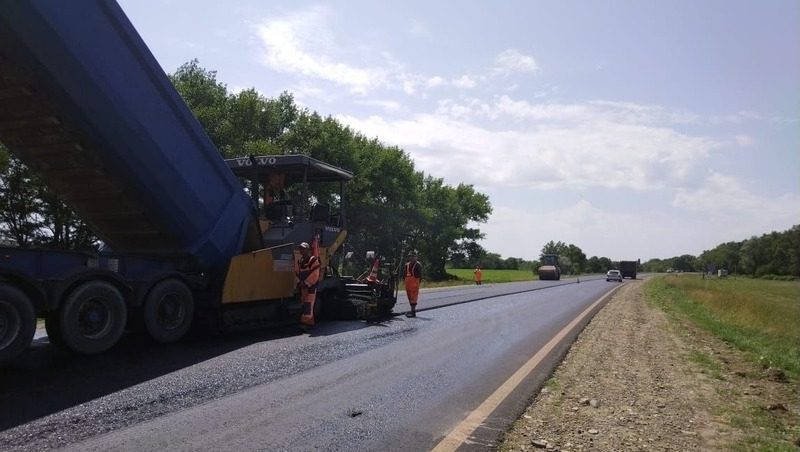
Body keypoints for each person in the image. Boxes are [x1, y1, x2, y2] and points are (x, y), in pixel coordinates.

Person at [295, 242, 320, 330]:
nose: (301, 250)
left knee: (308, 305)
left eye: (303, 248)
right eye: (300, 248)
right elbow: (297, 273)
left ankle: (306, 323)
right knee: (304, 304)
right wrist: (299, 283)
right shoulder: (300, 261)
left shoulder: (313, 260)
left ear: (308, 250)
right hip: (303, 287)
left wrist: (306, 283)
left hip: (311, 287)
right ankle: (310, 322)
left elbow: (315, 274)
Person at [404, 251, 422, 317]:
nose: (411, 258)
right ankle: (411, 311)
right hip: (408, 283)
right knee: (409, 297)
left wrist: (417, 283)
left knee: (413, 297)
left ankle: (413, 312)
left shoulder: (418, 265)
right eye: (410, 256)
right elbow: (405, 274)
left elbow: (419, 276)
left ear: (416, 257)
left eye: (413, 256)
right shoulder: (406, 265)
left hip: (414, 283)